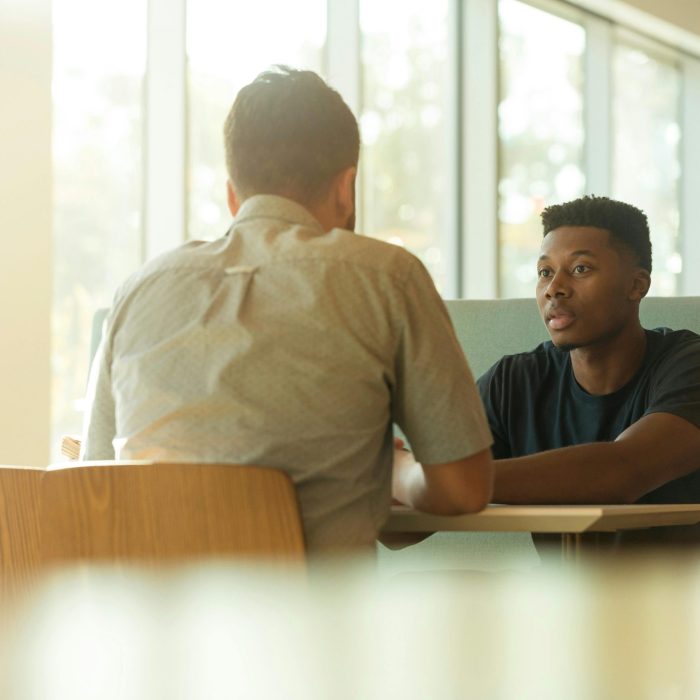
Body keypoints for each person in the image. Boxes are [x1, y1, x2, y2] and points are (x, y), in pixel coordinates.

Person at [81, 66, 493, 552]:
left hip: (148, 621)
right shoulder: (387, 277)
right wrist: (398, 472)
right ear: (347, 187)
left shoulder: (138, 289)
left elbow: (94, 484)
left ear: (233, 194)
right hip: (312, 622)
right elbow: (463, 490)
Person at [476, 195, 700, 544]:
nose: (554, 289)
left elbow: (620, 472)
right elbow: (400, 533)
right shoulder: (513, 382)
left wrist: (447, 482)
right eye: (545, 272)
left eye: (580, 268)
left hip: (679, 594)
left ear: (636, 285)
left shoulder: (689, 365)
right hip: (562, 595)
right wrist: (398, 476)